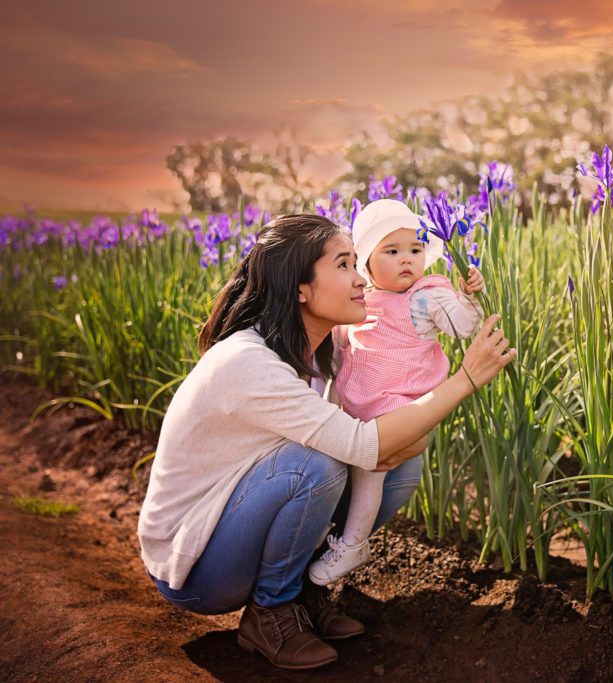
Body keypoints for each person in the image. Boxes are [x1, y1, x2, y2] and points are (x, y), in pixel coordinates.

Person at [137, 213, 515, 671]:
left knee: (397, 466)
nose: (361, 280)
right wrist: (466, 378)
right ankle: (272, 611)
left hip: (239, 522)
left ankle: (304, 592)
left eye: (358, 264)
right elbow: (362, 445)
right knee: (317, 464)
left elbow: (394, 445)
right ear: (300, 288)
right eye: (344, 266)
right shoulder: (249, 361)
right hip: (197, 567)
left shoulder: (325, 350)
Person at [308, 199, 485, 586]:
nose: (407, 259)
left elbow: (461, 327)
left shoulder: (427, 294)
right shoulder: (360, 298)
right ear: (367, 263)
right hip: (355, 399)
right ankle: (322, 530)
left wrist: (468, 296)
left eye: (416, 250)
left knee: (369, 470)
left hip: (395, 406)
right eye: (392, 251)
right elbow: (340, 349)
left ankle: (354, 542)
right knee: (332, 462)